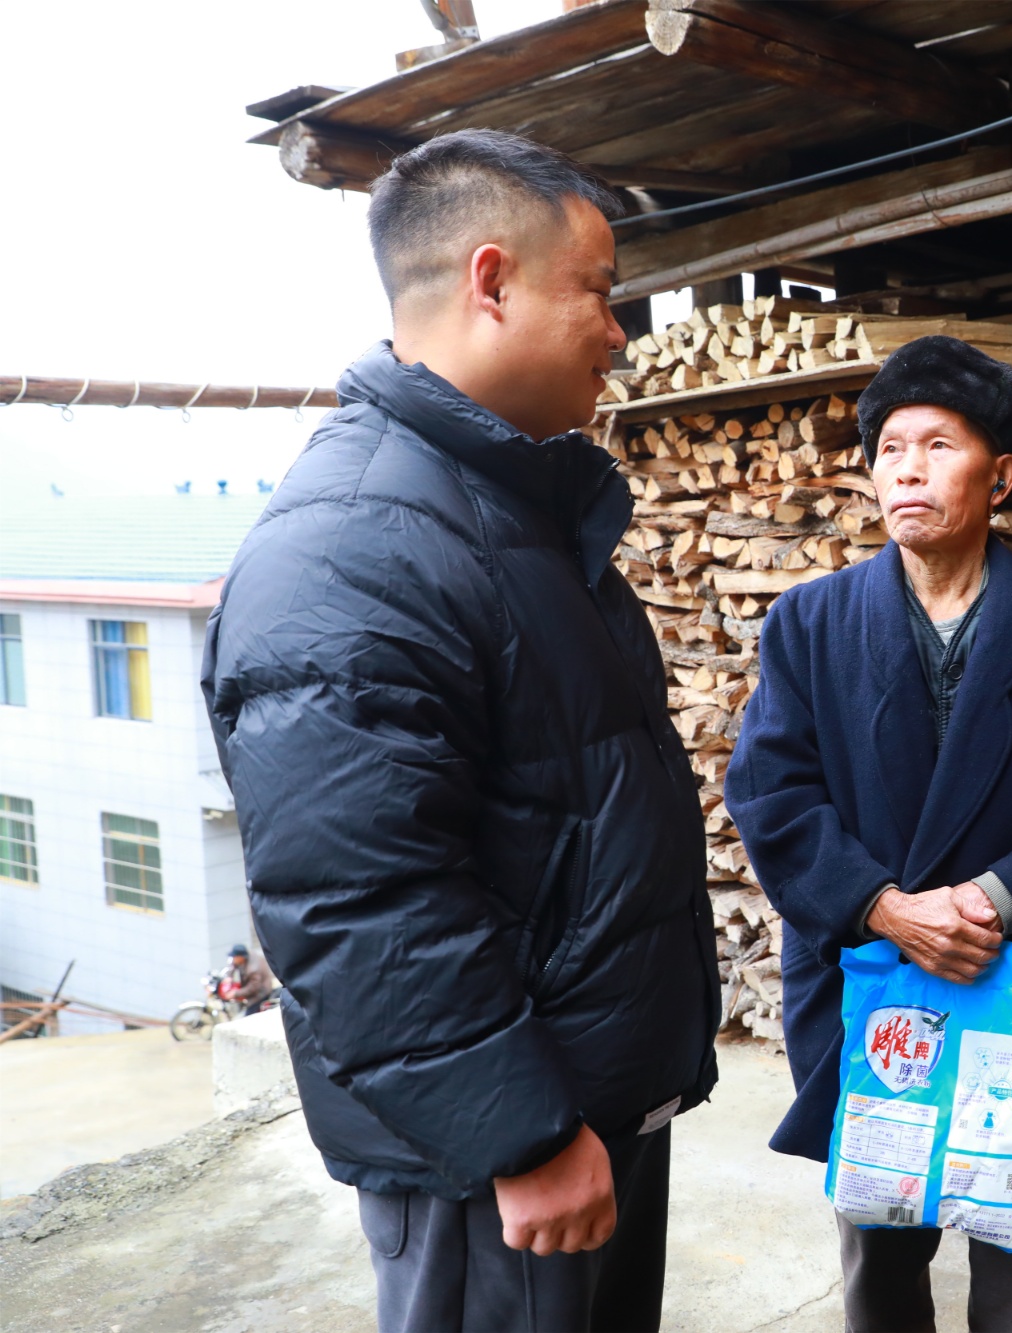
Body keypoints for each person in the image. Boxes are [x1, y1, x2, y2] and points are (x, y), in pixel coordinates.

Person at [202, 129, 719, 1333]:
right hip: (493, 1157)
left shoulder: (502, 511)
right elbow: (358, 898)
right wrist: (518, 1133)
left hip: (586, 1104)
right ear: (491, 280)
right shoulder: (354, 548)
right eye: (598, 290)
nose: (617, 332)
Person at [728, 335, 1012, 1332]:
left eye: (937, 445)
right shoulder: (808, 624)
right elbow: (771, 792)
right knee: (879, 1267)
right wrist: (884, 906)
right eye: (889, 449)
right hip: (872, 979)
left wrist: (987, 904)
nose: (907, 469)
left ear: (1000, 476)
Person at [221, 944, 275, 1013]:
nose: (233, 959)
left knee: (249, 1013)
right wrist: (229, 976)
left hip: (261, 992)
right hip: (254, 985)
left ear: (240, 957)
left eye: (234, 957)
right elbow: (234, 964)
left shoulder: (253, 969)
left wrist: (235, 993)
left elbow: (253, 988)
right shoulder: (246, 955)